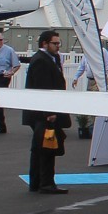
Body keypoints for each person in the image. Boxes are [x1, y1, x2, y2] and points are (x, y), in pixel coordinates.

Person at [22, 30, 71, 194]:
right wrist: (49, 112)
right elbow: (41, 89)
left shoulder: (51, 58)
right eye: (55, 43)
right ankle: (45, 183)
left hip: (44, 111)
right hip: (42, 113)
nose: (58, 46)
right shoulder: (41, 61)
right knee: (45, 148)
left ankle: (37, 182)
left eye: (59, 43)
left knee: (41, 148)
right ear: (45, 44)